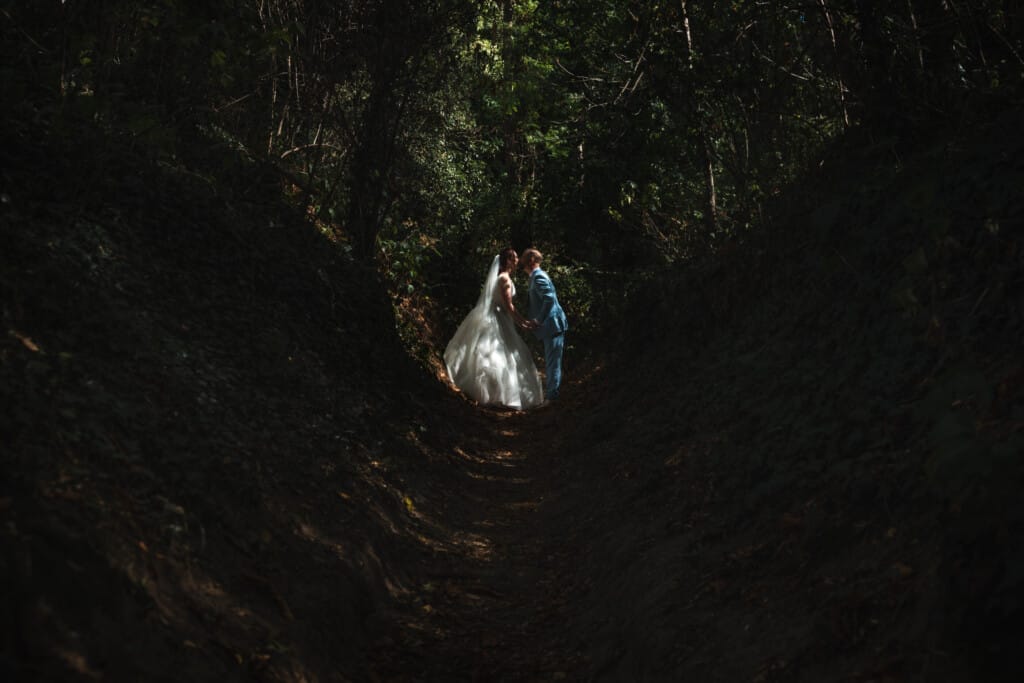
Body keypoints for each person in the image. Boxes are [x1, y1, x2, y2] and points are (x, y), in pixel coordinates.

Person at [443, 248, 544, 410]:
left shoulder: (504, 277)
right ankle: (496, 394)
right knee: (499, 354)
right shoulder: (504, 279)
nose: (518, 260)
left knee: (501, 354)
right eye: (515, 257)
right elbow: (509, 306)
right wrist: (522, 322)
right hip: (498, 318)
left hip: (499, 316)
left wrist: (520, 322)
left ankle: (496, 393)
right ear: (508, 260)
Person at [521, 248, 568, 402]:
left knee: (553, 362)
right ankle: (552, 396)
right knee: (552, 361)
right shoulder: (537, 276)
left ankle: (552, 398)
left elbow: (549, 299)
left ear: (532, 261)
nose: (523, 266)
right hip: (550, 325)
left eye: (525, 262)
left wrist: (538, 320)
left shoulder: (538, 277)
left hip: (552, 324)